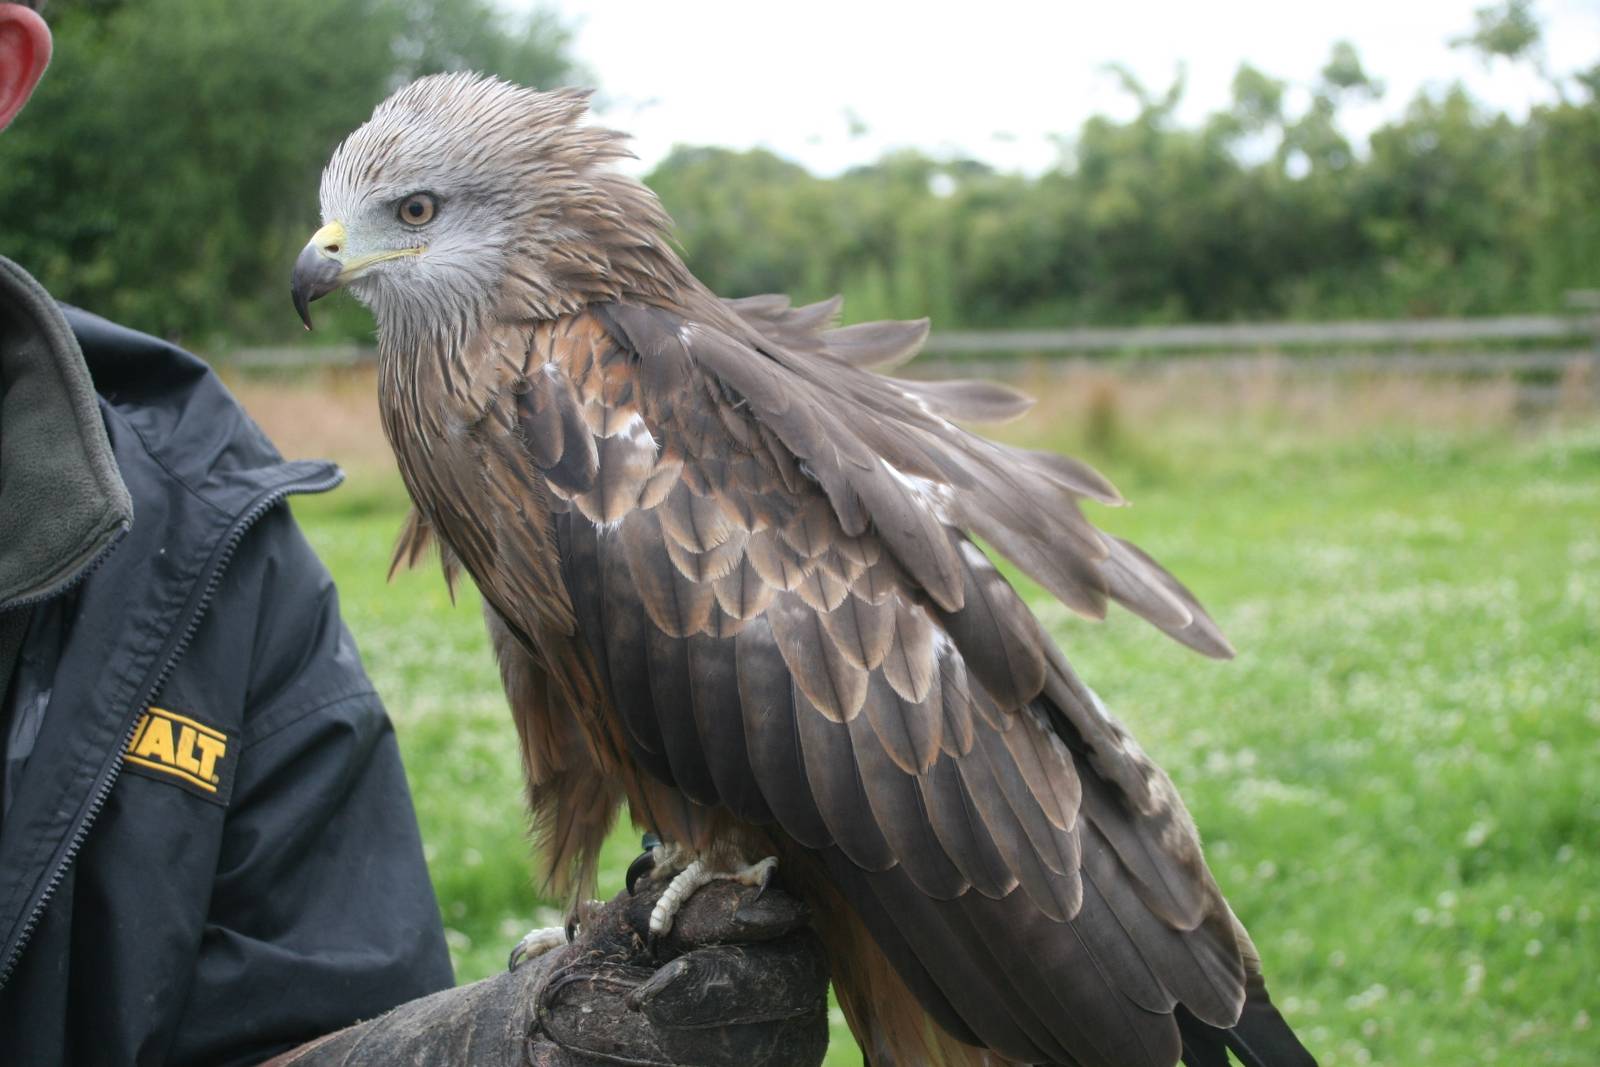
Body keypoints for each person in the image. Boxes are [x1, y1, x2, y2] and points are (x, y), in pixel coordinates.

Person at [0, 4, 828, 1064]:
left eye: (416, 210)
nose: (326, 252)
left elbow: (299, 1021)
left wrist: (481, 1050)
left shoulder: (210, 562)